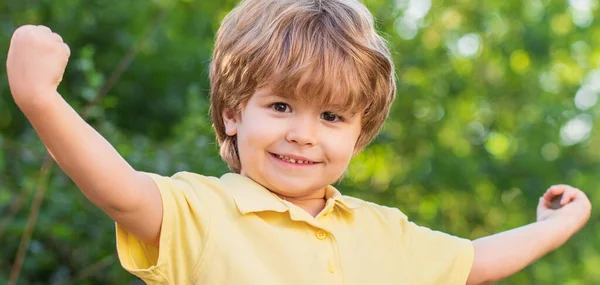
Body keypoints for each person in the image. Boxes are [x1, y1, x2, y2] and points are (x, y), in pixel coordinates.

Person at [6, 0, 592, 284]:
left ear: (360, 135)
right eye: (281, 105)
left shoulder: (382, 231)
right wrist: (42, 99)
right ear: (234, 113)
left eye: (332, 116)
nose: (302, 134)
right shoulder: (201, 213)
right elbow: (118, 191)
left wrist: (554, 226)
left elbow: (475, 262)